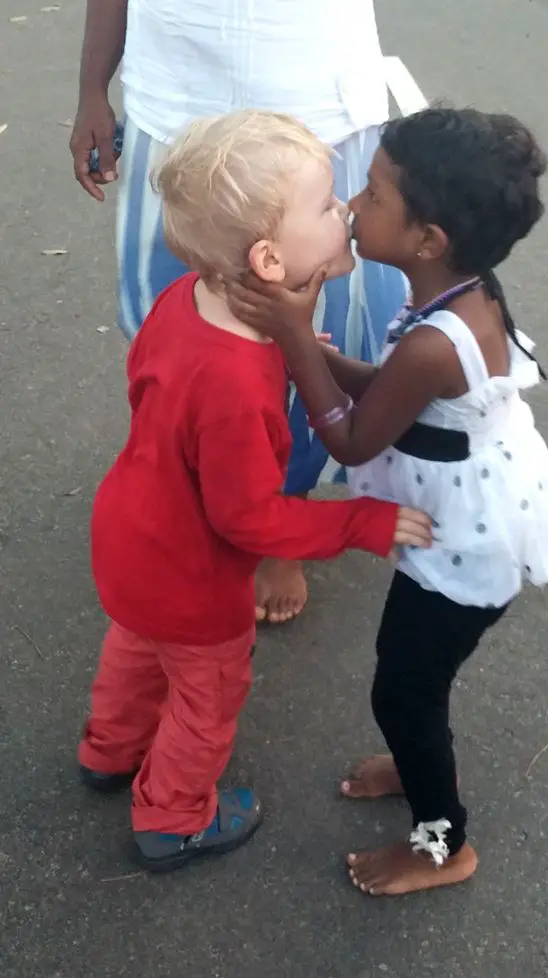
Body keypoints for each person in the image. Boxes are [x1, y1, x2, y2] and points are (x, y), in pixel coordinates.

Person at [77, 111, 433, 874]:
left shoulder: (186, 301)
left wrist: (286, 350)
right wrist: (359, 524)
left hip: (129, 536)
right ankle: (172, 818)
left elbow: (164, 387)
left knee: (136, 649)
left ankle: (107, 752)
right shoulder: (237, 386)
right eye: (325, 206)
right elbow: (249, 520)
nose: (343, 214)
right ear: (270, 259)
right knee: (205, 699)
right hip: (192, 576)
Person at [229, 106, 548, 896]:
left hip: (465, 546)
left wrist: (291, 335)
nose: (349, 206)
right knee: (414, 684)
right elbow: (388, 396)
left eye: (373, 195)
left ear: (427, 240)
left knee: (403, 687)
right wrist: (326, 358)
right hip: (472, 511)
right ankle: (416, 760)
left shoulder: (431, 341)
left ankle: (443, 841)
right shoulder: (456, 294)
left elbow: (352, 441)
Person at [69, 0, 409, 624]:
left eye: (344, 205)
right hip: (180, 103)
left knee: (298, 342)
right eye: (337, 208)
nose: (350, 213)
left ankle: (278, 514)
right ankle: (201, 495)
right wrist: (93, 86)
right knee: (194, 339)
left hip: (313, 100)